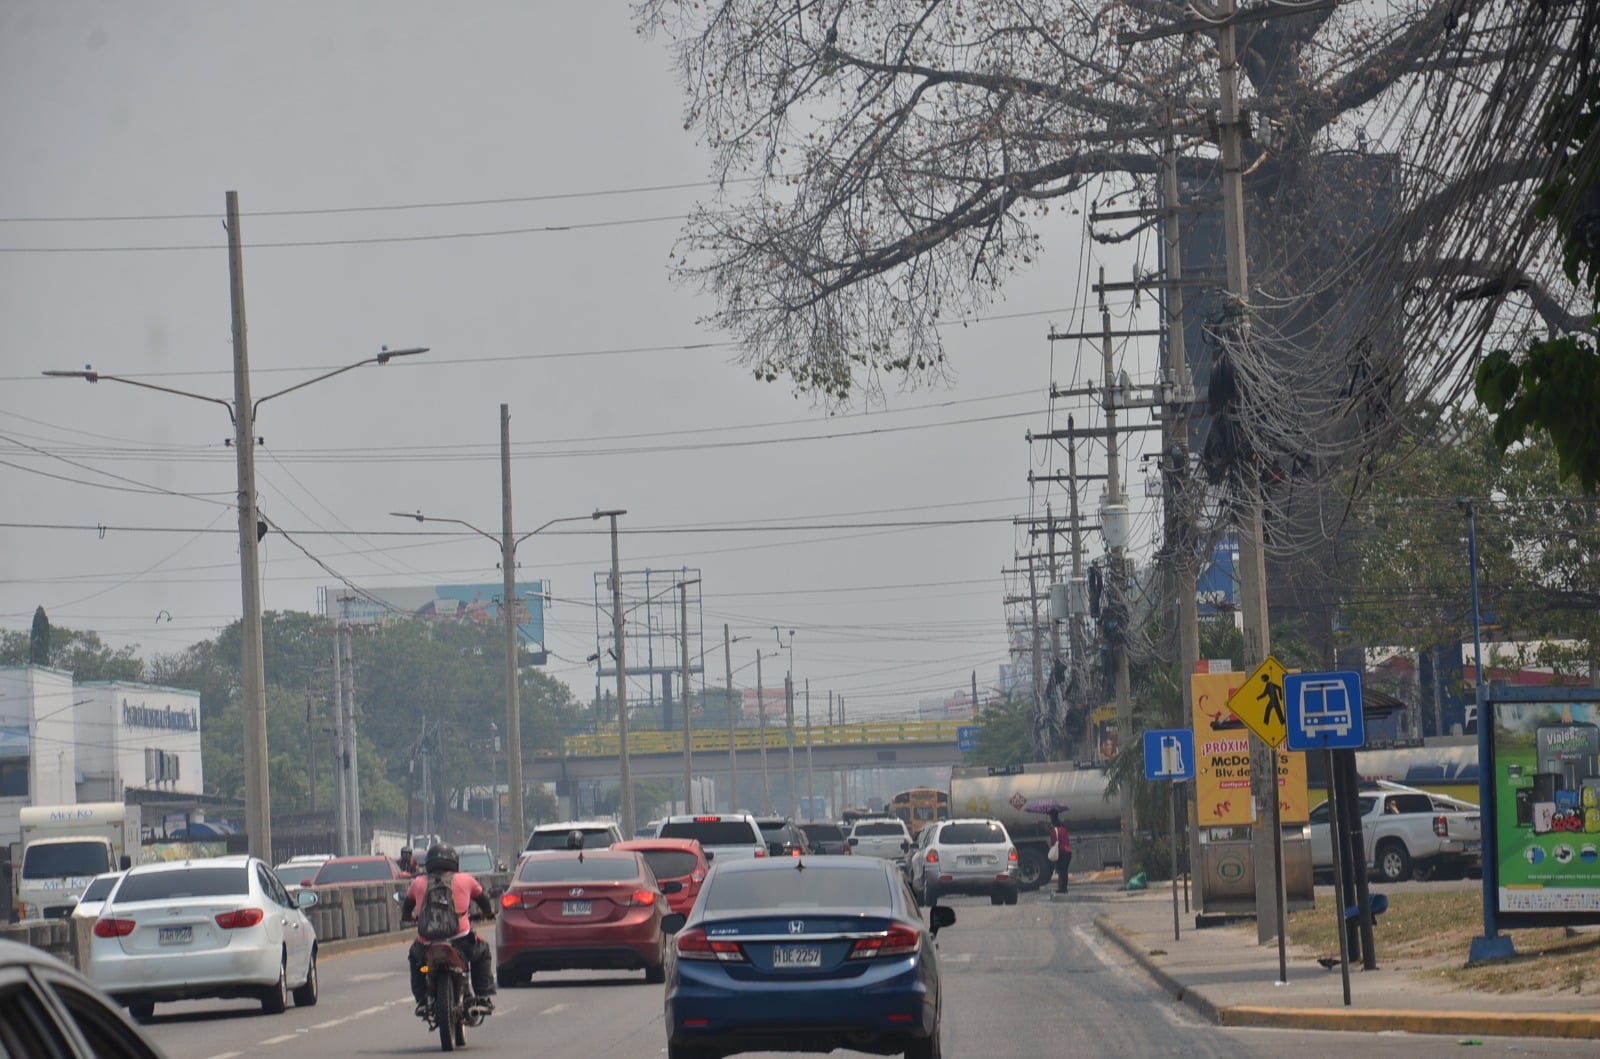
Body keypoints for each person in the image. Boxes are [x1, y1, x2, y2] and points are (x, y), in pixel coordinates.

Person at [400, 843, 497, 1017]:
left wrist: (410, 917)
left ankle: (422, 1000)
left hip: (427, 943)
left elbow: (406, 908)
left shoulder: (418, 883)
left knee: (418, 963)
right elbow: (483, 901)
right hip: (461, 941)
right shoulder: (465, 879)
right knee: (481, 953)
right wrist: (487, 913)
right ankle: (483, 997)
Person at [1048, 811, 1073, 895]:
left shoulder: (1055, 830)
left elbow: (1053, 842)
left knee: (1061, 871)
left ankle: (1062, 888)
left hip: (1061, 852)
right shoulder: (1063, 829)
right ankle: (1063, 887)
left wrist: (1049, 831)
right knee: (1064, 871)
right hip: (1068, 852)